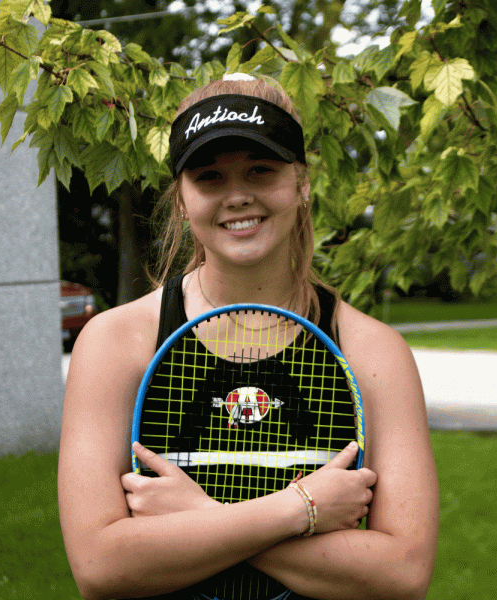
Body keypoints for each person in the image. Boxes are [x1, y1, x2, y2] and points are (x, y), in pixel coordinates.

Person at [58, 73, 439, 600]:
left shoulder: (374, 353)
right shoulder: (114, 343)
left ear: (302, 183)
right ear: (182, 200)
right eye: (210, 177)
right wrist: (301, 509)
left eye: (261, 171)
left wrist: (197, 519)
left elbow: (402, 573)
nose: (237, 197)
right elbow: (101, 566)